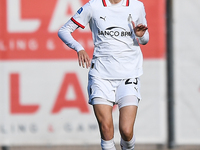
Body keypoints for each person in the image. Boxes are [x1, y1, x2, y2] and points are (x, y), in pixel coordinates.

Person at [58, 0, 149, 149]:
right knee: (106, 130)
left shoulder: (136, 6)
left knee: (126, 131)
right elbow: (64, 30)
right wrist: (79, 48)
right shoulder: (93, 6)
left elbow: (145, 39)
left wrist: (141, 35)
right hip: (101, 75)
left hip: (129, 74)